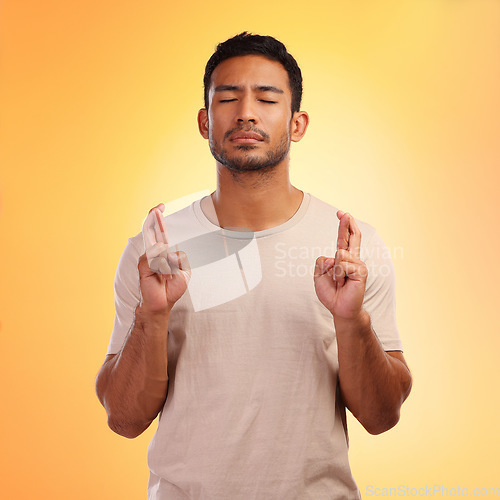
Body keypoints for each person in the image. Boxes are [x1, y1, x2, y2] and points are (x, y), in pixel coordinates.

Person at [95, 32, 412, 499]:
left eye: (266, 98)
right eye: (228, 98)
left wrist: (351, 320)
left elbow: (382, 417)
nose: (246, 112)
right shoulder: (158, 251)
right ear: (205, 121)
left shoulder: (348, 247)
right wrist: (153, 315)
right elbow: (123, 418)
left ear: (297, 123)